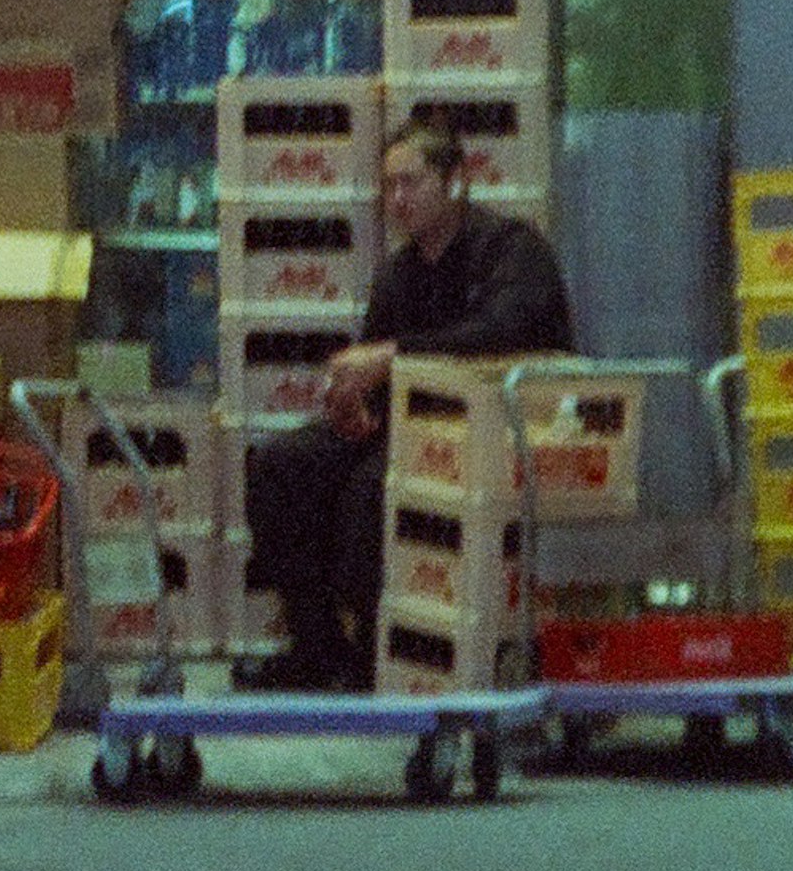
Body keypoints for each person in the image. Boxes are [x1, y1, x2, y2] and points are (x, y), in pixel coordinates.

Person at [235, 108, 573, 692]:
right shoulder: (399, 272)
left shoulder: (513, 251)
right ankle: (319, 647)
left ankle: (378, 654)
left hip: (488, 435)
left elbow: (498, 334)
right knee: (279, 466)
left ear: (455, 180)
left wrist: (389, 359)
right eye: (388, 185)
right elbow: (372, 364)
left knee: (373, 490)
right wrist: (351, 402)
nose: (398, 198)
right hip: (403, 427)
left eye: (410, 182)